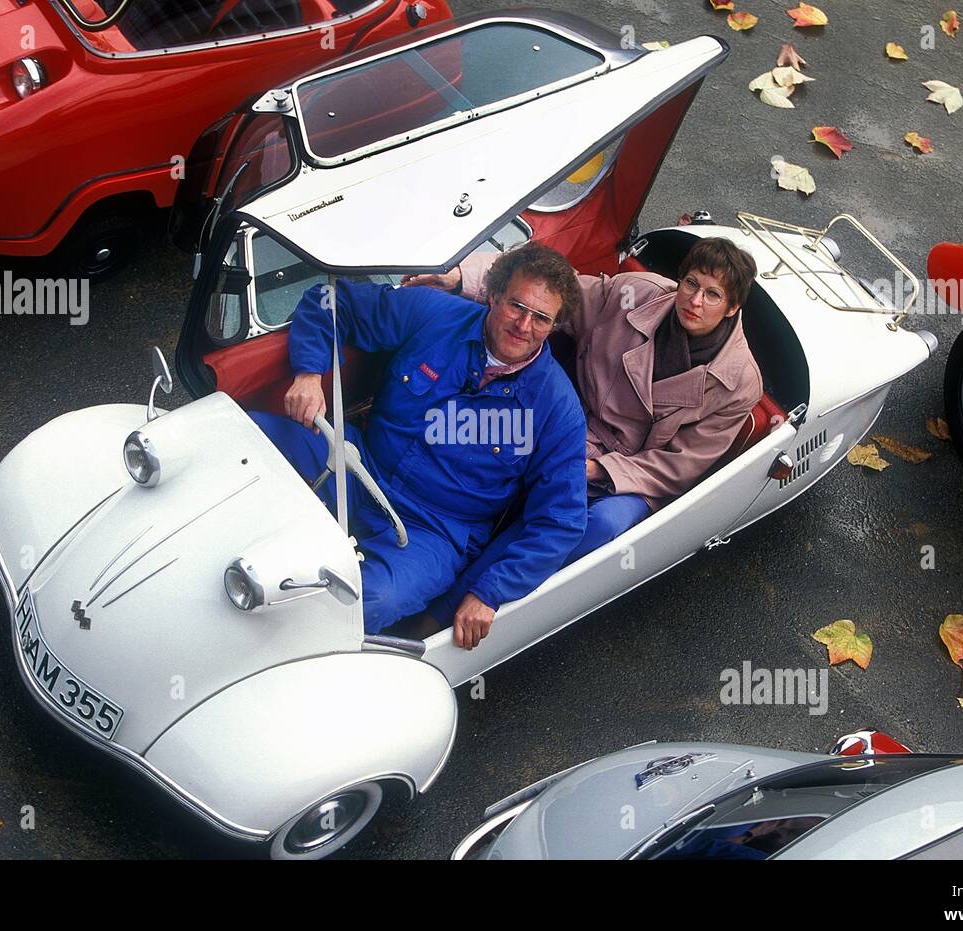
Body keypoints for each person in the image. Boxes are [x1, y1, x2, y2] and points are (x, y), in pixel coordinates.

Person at [406, 236, 762, 622]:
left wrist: (594, 469)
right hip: (574, 426)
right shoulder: (634, 295)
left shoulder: (739, 383)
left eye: (712, 295)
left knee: (595, 522)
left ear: (732, 307)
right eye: (691, 284)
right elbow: (552, 288)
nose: (694, 301)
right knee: (488, 449)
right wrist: (461, 276)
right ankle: (422, 559)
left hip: (636, 478)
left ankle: (456, 615)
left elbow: (678, 466)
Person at [251, 242, 588, 650]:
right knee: (249, 439)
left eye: (541, 318)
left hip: (433, 533)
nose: (524, 325)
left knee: (368, 601)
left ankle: (265, 650)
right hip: (358, 465)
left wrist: (490, 592)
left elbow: (560, 520)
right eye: (517, 306)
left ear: (554, 326)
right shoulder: (434, 313)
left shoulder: (558, 407)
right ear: (494, 293)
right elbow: (330, 301)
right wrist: (309, 372)